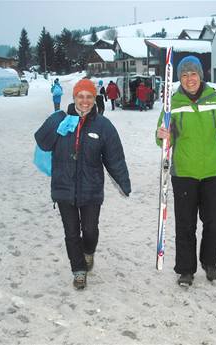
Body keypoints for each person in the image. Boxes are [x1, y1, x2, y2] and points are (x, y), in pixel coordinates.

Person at [156, 55, 216, 287]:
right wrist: (162, 134)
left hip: (213, 172)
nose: (189, 79)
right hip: (184, 172)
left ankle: (209, 262)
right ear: (179, 79)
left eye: (193, 74)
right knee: (185, 224)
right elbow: (162, 139)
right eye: (184, 75)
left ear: (200, 76)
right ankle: (185, 270)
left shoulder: (215, 100)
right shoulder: (173, 104)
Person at [35, 78, 131, 290]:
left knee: (89, 230)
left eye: (89, 97)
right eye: (81, 96)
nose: (85, 101)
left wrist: (124, 183)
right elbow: (41, 140)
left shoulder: (103, 125)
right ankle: (78, 270)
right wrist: (56, 122)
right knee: (71, 232)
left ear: (94, 98)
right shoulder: (61, 119)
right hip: (63, 187)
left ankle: (88, 252)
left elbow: (114, 157)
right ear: (74, 97)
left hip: (91, 188)